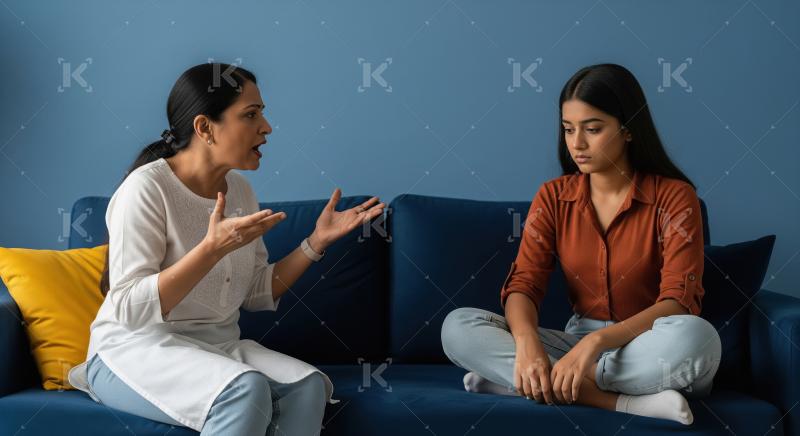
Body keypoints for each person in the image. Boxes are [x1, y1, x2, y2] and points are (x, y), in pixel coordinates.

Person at [67, 63, 385, 435]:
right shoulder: (145, 190)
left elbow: (254, 291)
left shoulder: (240, 191)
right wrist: (210, 251)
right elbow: (128, 309)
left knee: (306, 386)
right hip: (133, 350)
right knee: (244, 390)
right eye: (251, 115)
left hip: (215, 348)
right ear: (204, 128)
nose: (266, 128)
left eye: (262, 113)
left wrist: (315, 243)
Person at [440, 63, 721, 425]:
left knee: (698, 339)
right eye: (569, 129)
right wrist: (527, 346)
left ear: (629, 129)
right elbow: (524, 284)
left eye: (593, 129)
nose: (577, 144)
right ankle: (624, 402)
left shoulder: (675, 197)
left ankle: (521, 384)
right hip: (574, 346)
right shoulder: (554, 197)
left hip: (650, 344)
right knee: (458, 327)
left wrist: (595, 345)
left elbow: (677, 303)